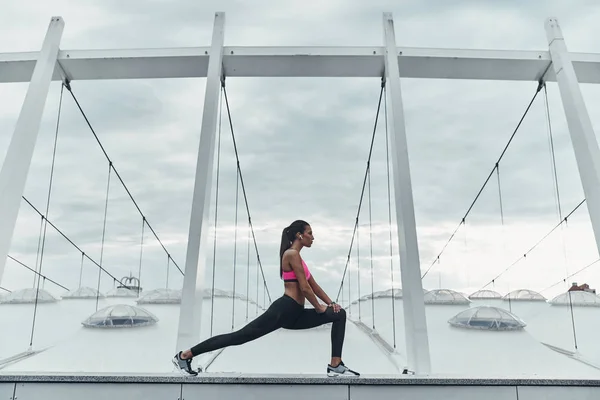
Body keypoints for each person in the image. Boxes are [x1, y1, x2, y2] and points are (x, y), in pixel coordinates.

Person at [172, 219, 359, 377]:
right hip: (284, 310)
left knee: (338, 314)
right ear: (299, 236)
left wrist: (331, 304)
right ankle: (185, 356)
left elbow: (314, 285)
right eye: (310, 233)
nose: (313, 237)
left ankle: (335, 365)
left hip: (296, 313)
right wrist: (319, 308)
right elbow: (304, 287)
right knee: (239, 337)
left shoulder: (299, 258)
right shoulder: (291, 254)